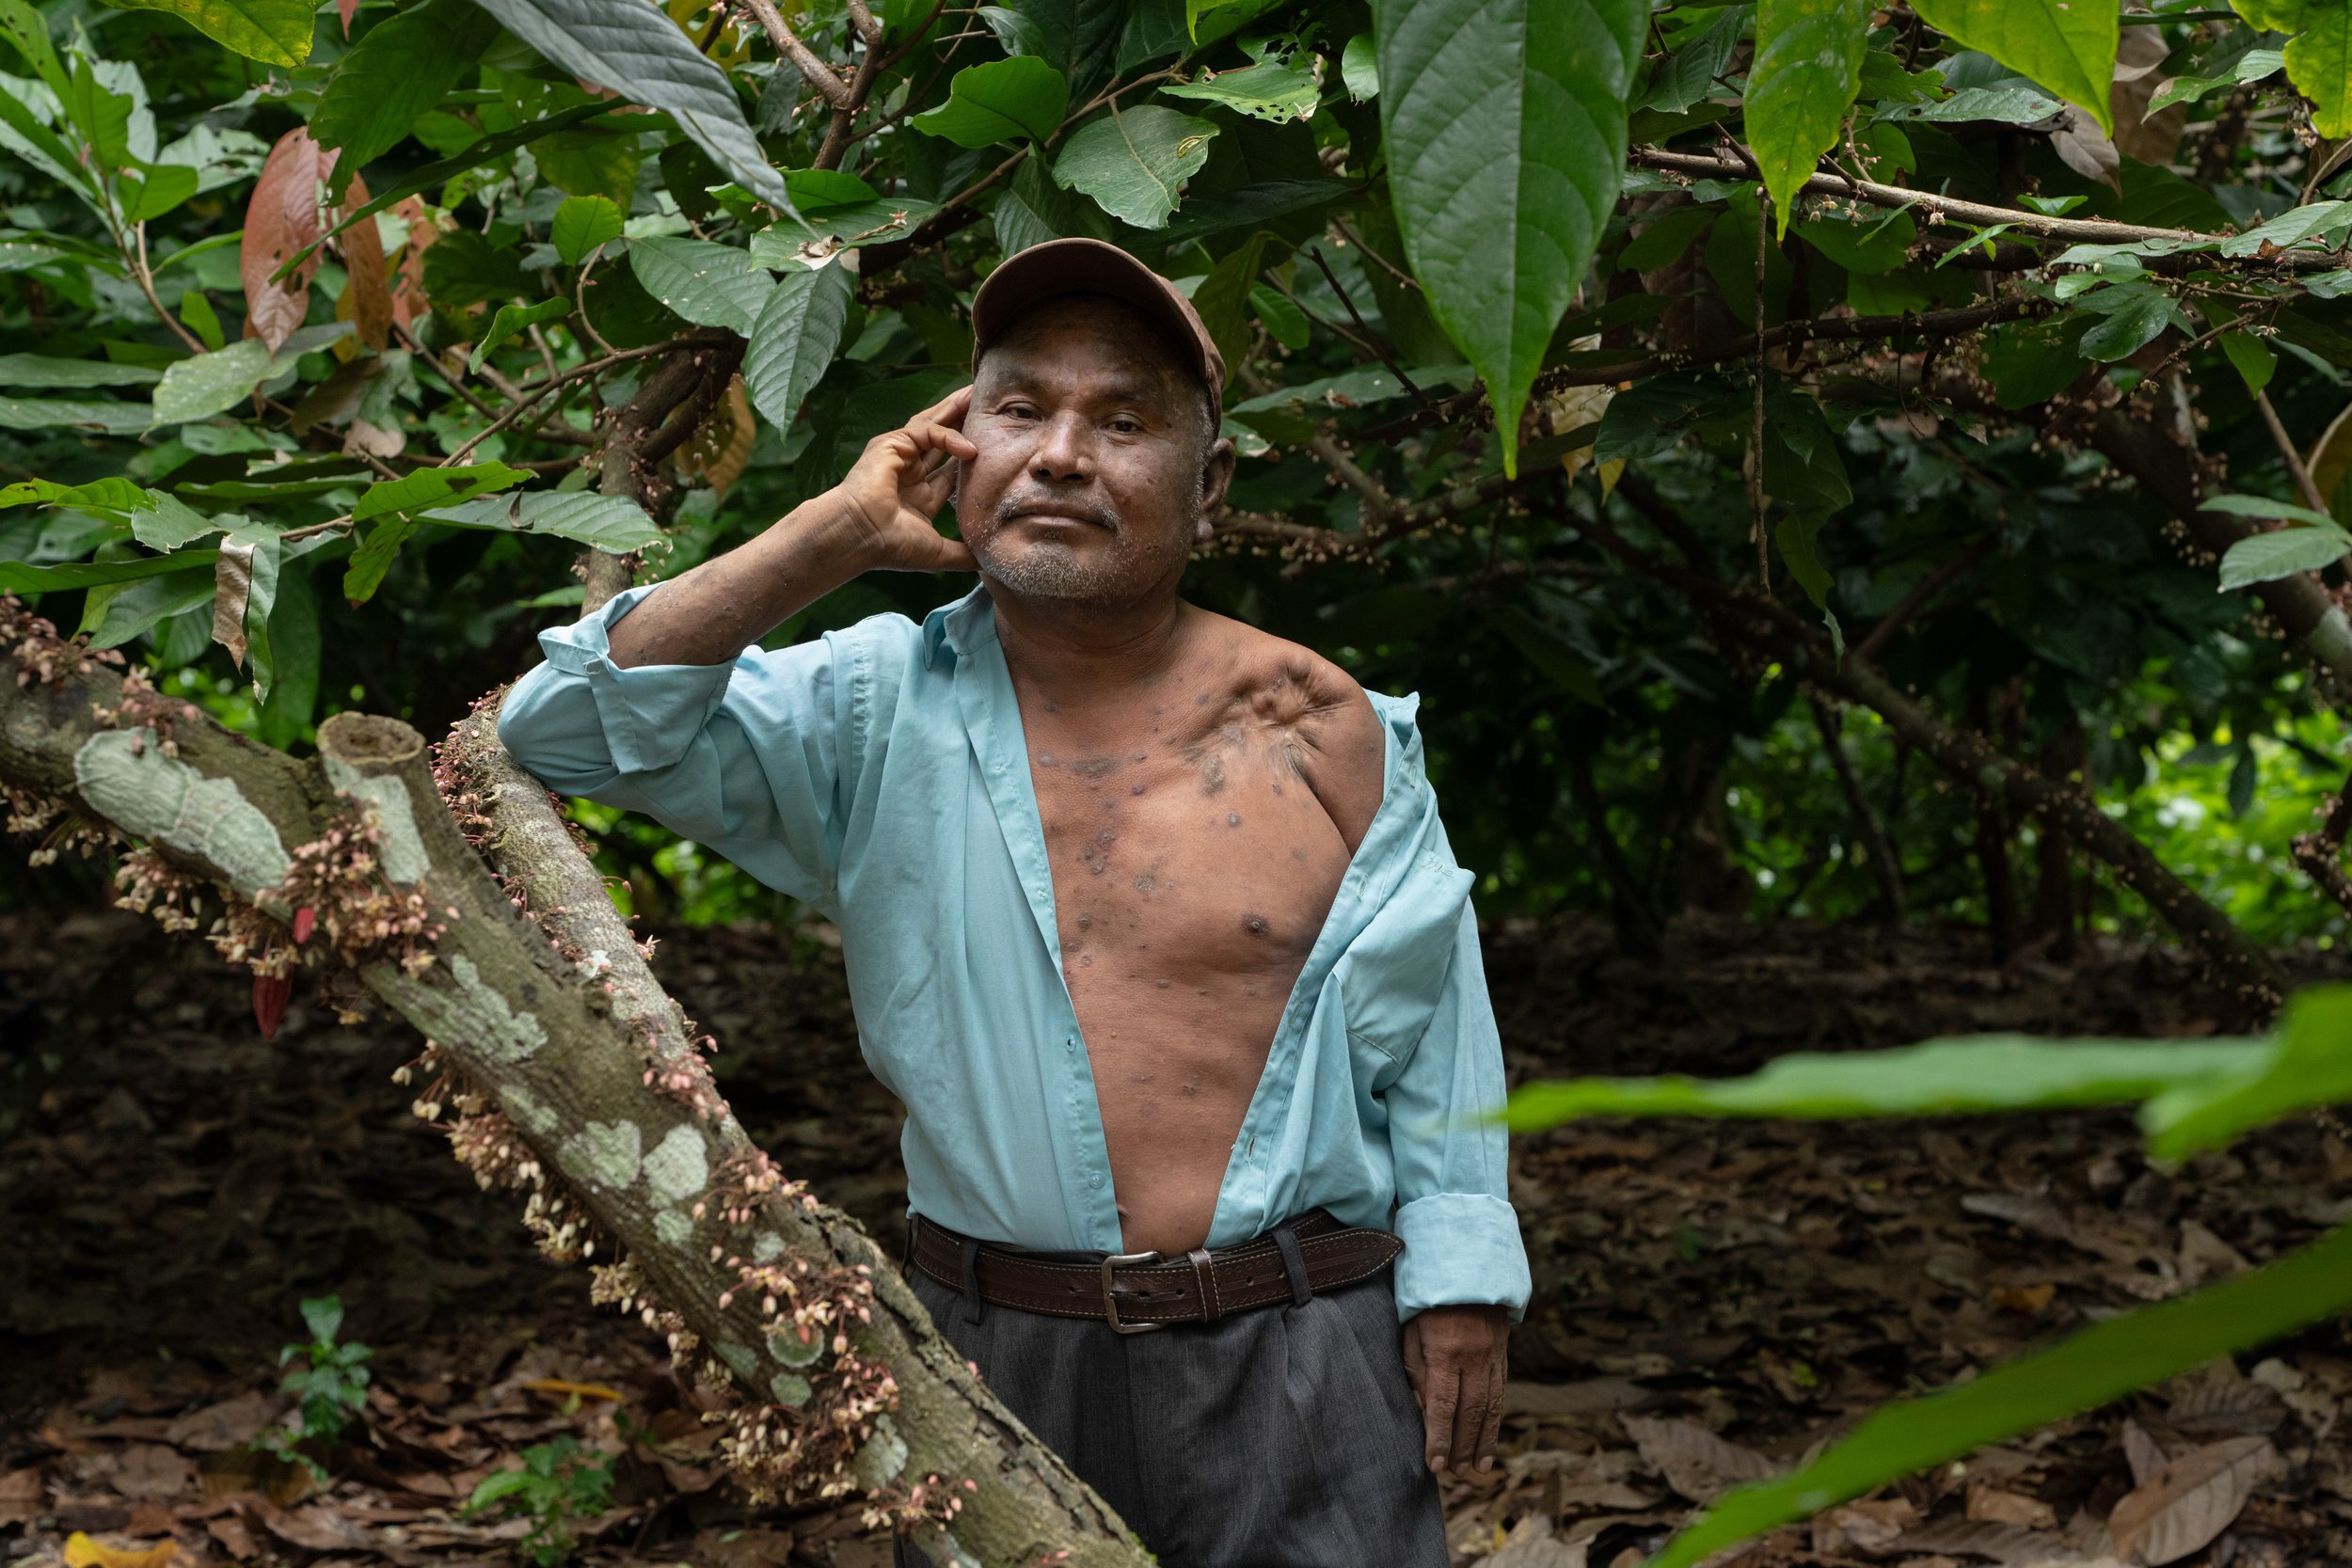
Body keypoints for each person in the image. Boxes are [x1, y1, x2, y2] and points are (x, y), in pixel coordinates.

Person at [497, 237, 1532, 1567]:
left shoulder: (1322, 728)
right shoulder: (867, 708)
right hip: (993, 1362)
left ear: (1210, 482)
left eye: (1124, 422)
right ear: (955, 445)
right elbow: (563, 729)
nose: (1060, 456)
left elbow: (1438, 1030)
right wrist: (836, 533)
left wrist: (1462, 1277)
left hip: (1305, 1349)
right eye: (1021, 409)